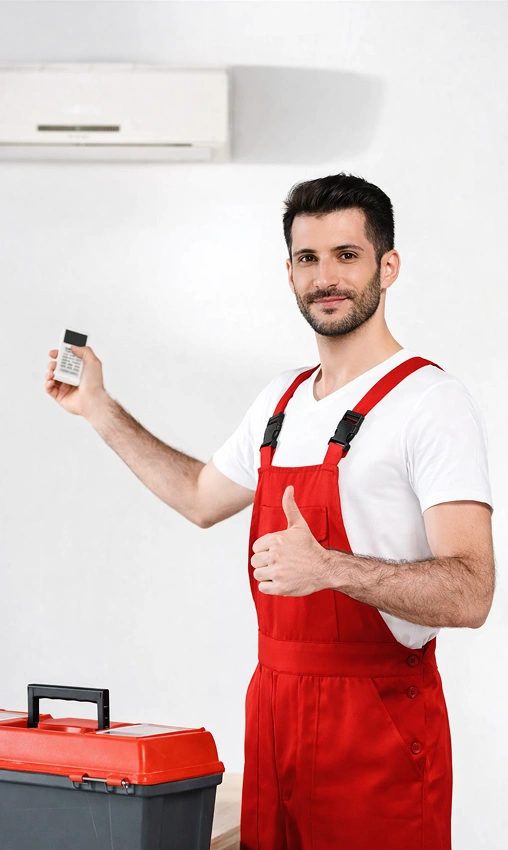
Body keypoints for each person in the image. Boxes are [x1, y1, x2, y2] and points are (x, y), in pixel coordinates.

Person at [45, 172, 495, 850]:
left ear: (388, 266)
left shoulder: (431, 402)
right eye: (308, 258)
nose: (326, 277)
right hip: (274, 717)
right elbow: (200, 496)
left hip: (376, 730)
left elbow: (472, 591)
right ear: (288, 273)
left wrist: (331, 568)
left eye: (347, 255)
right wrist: (99, 409)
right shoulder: (279, 403)